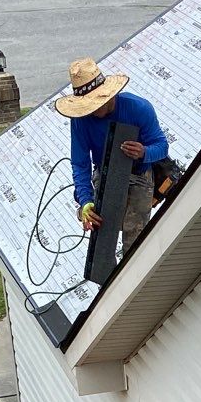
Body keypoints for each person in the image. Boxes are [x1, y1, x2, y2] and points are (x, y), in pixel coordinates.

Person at [54, 57, 169, 261]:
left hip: (140, 173)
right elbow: (80, 163)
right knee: (101, 237)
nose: (93, 111)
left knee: (135, 242)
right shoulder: (81, 120)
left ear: (108, 94)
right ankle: (107, 287)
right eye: (88, 106)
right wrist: (86, 200)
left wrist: (144, 152)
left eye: (96, 103)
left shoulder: (138, 108)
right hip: (105, 173)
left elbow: (162, 147)